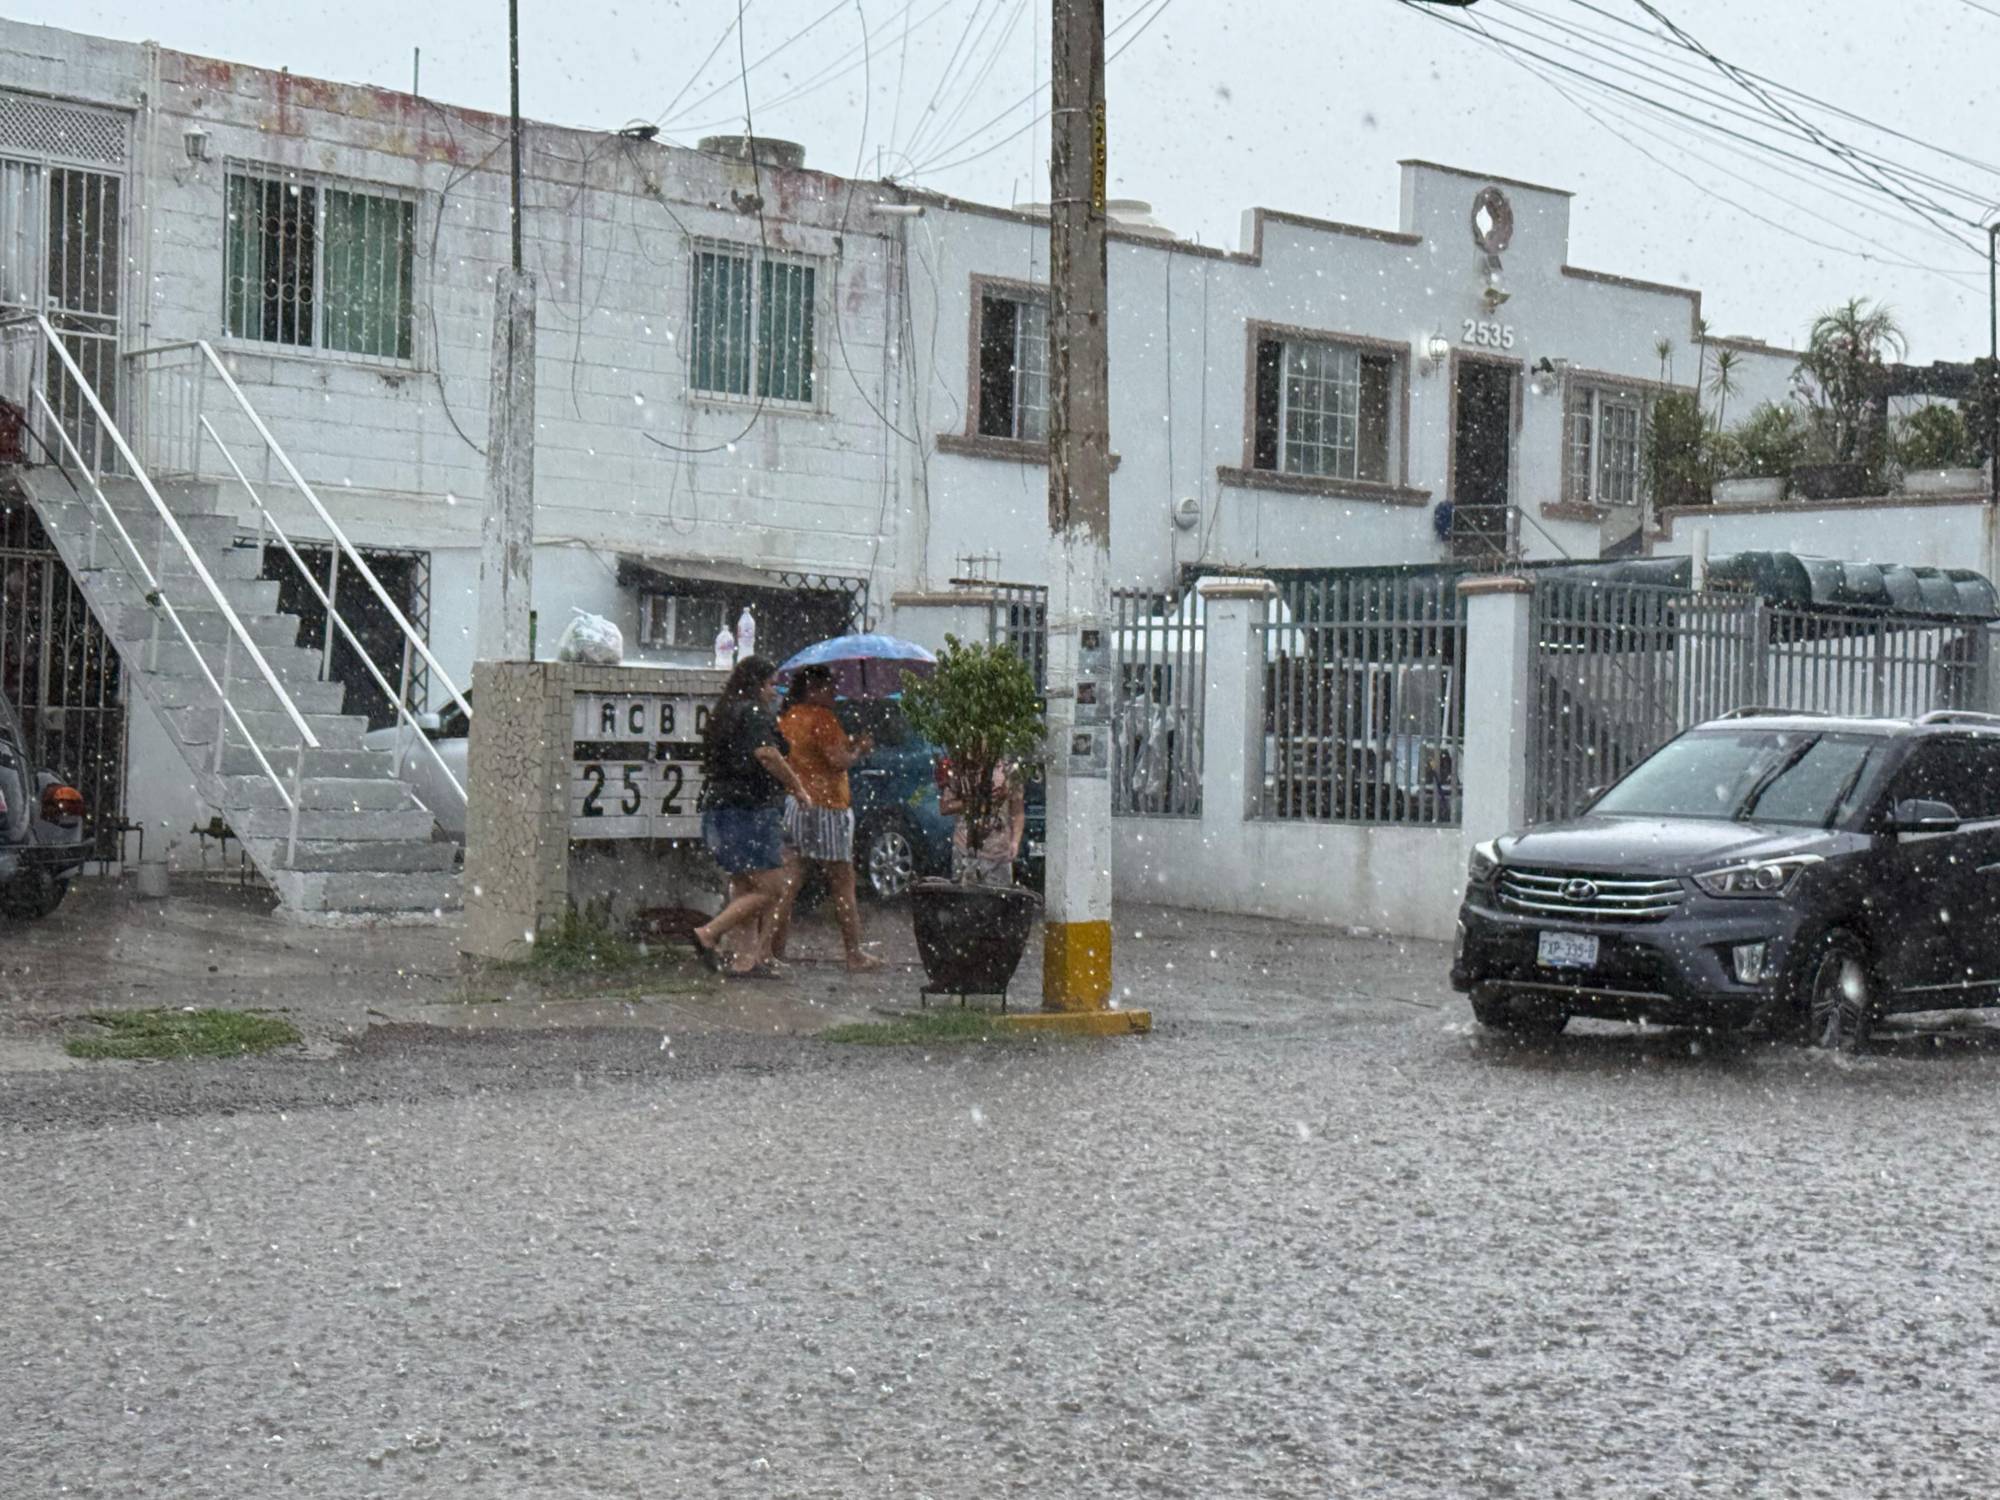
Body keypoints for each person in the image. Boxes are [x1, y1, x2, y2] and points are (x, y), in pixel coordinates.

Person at [690, 655, 813, 977]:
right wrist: (798, 788)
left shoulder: (724, 712)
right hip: (749, 810)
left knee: (745, 888)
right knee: (770, 889)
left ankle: (746, 959)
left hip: (721, 809)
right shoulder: (754, 713)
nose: (775, 691)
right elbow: (767, 754)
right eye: (772, 684)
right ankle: (709, 933)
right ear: (757, 684)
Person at [768, 664, 883, 971]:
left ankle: (773, 949)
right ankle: (854, 953)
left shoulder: (788, 717)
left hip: (797, 803)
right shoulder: (822, 718)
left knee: (789, 883)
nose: (835, 693)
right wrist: (859, 749)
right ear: (814, 689)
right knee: (843, 883)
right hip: (829, 808)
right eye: (830, 688)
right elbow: (837, 761)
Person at [941, 760, 1027, 887]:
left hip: (999, 853)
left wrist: (1015, 841)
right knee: (963, 900)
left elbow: (1018, 811)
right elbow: (945, 807)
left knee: (999, 902)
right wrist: (974, 801)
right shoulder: (961, 769)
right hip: (965, 850)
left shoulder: (1009, 771)